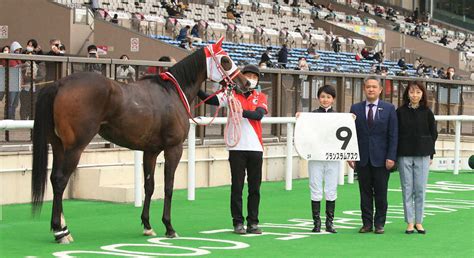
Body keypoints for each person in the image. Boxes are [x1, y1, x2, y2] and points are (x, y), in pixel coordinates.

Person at [197, 64, 268, 235]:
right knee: (237, 187)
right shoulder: (230, 95)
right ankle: (238, 222)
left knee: (254, 188)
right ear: (240, 77)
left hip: (256, 148)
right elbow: (210, 99)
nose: (250, 79)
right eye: (248, 76)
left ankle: (253, 222)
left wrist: (240, 111)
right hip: (236, 147)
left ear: (258, 80)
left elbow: (258, 115)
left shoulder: (261, 96)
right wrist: (196, 86)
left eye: (254, 77)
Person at [348, 76, 398, 234]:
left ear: (380, 90)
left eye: (374, 87)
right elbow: (351, 134)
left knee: (381, 193)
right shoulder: (355, 108)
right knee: (365, 193)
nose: (371, 89)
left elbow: (393, 135)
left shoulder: (389, 108)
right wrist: (351, 155)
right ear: (364, 89)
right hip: (362, 158)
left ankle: (380, 224)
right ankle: (366, 224)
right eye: (368, 86)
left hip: (382, 159)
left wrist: (391, 156)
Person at [397, 81, 437, 235]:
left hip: (423, 154)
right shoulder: (400, 112)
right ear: (407, 94)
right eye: (412, 92)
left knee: (420, 189)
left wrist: (431, 154)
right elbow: (396, 133)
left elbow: (433, 134)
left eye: (418, 92)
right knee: (407, 188)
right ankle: (410, 222)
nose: (415, 95)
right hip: (404, 154)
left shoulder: (427, 111)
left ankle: (419, 221)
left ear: (422, 94)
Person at [297, 85, 339, 233]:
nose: (325, 100)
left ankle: (330, 222)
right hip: (315, 156)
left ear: (333, 99)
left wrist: (351, 119)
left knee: (331, 188)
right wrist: (300, 119)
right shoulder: (311, 116)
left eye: (328, 97)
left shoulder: (339, 117)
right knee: (315, 187)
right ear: (318, 98)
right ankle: (316, 222)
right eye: (322, 96)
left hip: (333, 158)